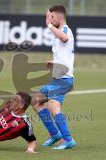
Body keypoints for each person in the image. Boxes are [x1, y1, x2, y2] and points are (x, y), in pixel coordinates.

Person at [31, 5, 76, 150]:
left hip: (64, 79)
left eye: (52, 17)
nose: (50, 20)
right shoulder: (59, 32)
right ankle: (55, 134)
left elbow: (63, 38)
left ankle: (68, 139)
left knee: (53, 106)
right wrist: (54, 62)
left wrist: (48, 24)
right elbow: (63, 54)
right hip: (57, 78)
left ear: (60, 17)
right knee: (36, 100)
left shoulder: (65, 30)